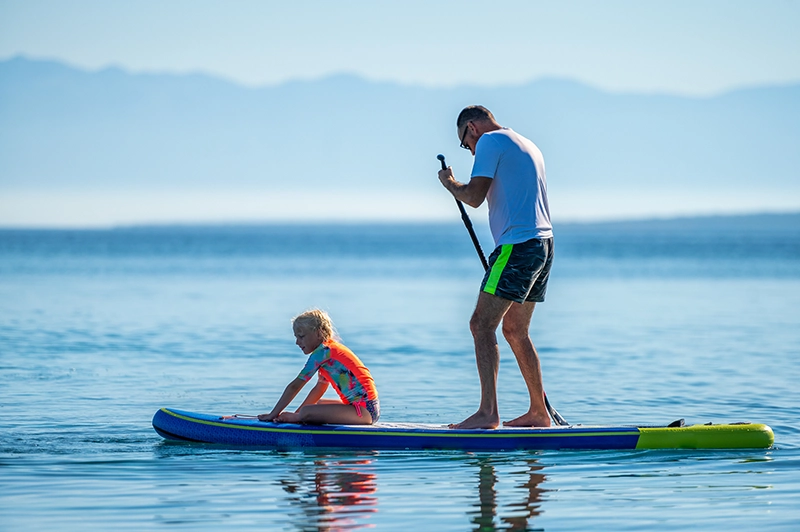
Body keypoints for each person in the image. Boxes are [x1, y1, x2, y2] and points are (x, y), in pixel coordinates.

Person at [438, 105, 554, 429]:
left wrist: (450, 183)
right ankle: (538, 413)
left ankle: (488, 413)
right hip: (543, 245)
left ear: (472, 128)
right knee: (516, 330)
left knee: (480, 325)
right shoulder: (526, 142)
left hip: (517, 246)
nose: (469, 150)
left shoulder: (489, 142)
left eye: (465, 144)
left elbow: (474, 197)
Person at [258, 309, 380, 425]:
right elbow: (320, 388)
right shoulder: (330, 353)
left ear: (318, 333)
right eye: (296, 337)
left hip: (362, 411)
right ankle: (300, 417)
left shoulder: (322, 353)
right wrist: (296, 416)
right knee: (315, 406)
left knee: (307, 411)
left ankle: (300, 417)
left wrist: (273, 415)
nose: (297, 342)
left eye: (301, 336)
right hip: (366, 409)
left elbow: (295, 386)